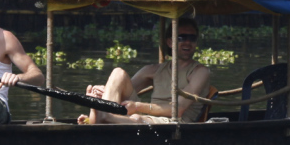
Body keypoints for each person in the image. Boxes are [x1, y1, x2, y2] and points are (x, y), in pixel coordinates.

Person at [80, 17, 215, 124]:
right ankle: (100, 116)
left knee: (137, 119)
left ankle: (102, 118)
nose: (187, 42)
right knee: (118, 73)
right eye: (182, 38)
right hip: (149, 118)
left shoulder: (200, 72)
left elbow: (178, 110)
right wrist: (101, 94)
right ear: (170, 42)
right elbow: (119, 92)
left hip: (175, 123)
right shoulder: (153, 70)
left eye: (192, 38)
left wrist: (138, 107)